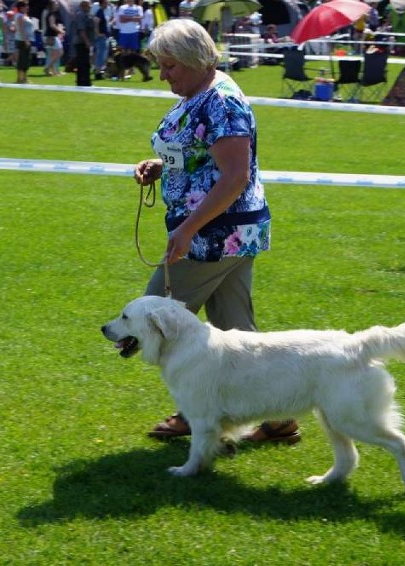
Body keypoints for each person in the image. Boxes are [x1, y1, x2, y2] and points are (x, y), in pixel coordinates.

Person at [132, 19, 300, 446]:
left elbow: (234, 177)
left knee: (156, 321)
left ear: (193, 60)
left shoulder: (222, 103)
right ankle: (279, 417)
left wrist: (188, 228)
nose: (163, 74)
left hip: (214, 236)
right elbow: (197, 156)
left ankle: (198, 411)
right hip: (229, 234)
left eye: (170, 65)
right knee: (237, 333)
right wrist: (161, 166)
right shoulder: (200, 93)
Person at [70, 0, 94, 87]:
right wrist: (87, 42)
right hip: (81, 42)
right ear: (84, 6)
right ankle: (83, 81)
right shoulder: (81, 15)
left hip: (85, 42)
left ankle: (84, 81)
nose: (90, 7)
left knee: (85, 63)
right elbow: (82, 30)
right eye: (89, 5)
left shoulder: (87, 15)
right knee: (83, 63)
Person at [13, 0, 34, 84]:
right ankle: (21, 78)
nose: (27, 7)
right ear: (21, 7)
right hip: (23, 40)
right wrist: (26, 40)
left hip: (24, 39)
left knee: (24, 59)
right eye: (26, 6)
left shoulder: (22, 16)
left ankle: (22, 78)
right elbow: (21, 29)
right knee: (23, 60)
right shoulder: (20, 16)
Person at [42, 0, 64, 76]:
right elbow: (52, 25)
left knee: (52, 54)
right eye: (55, 4)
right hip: (51, 36)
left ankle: (53, 71)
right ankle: (47, 68)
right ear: (52, 5)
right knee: (60, 52)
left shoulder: (51, 14)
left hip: (51, 35)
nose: (57, 5)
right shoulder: (52, 14)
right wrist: (61, 31)